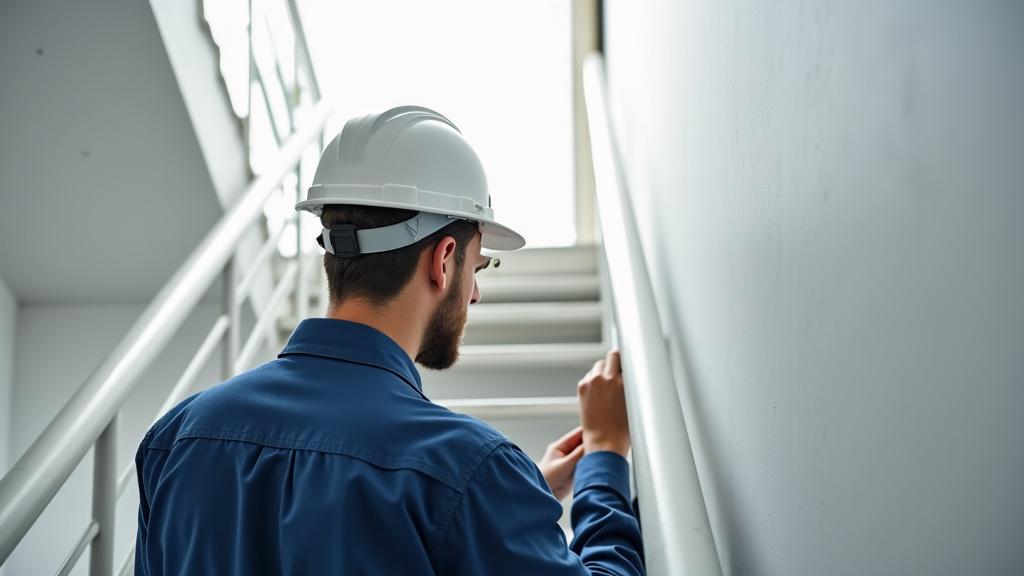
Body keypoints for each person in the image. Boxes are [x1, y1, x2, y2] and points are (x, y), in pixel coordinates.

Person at [135, 106, 645, 575]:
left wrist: (504, 496)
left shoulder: (175, 439)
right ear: (444, 261)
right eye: (478, 265)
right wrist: (603, 457)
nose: (476, 293)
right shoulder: (467, 468)